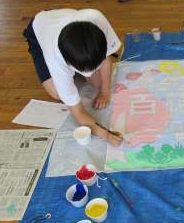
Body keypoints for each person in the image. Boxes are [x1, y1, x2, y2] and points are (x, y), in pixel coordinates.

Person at [23, 9, 123, 146]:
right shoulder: (55, 59)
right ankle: (75, 69)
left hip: (66, 23)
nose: (90, 72)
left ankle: (81, 65)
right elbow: (78, 112)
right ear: (67, 61)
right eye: (82, 69)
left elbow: (106, 57)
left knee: (98, 83)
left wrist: (104, 92)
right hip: (39, 28)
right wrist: (106, 134)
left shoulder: (97, 20)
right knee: (57, 93)